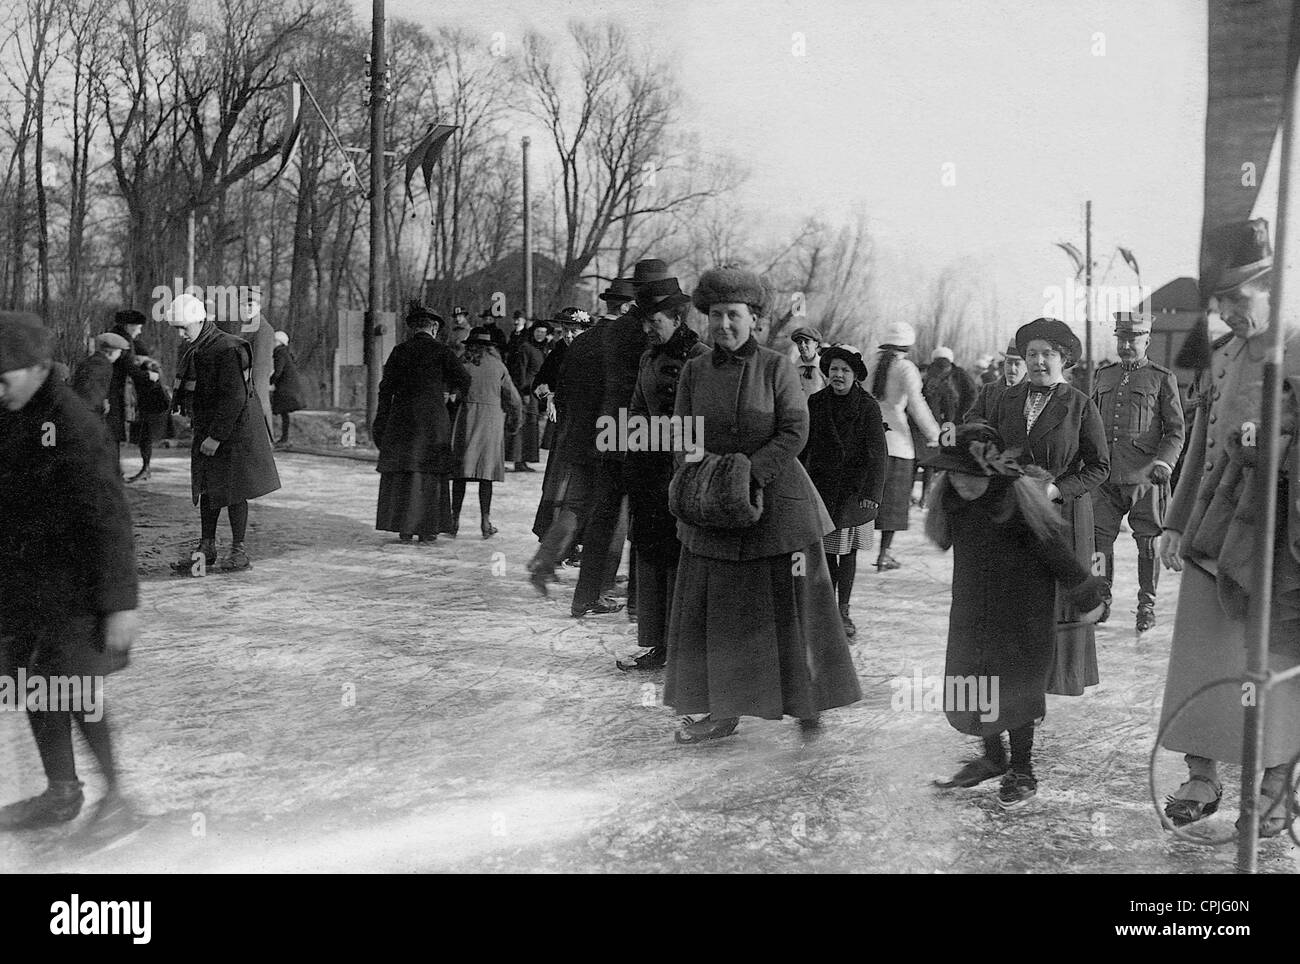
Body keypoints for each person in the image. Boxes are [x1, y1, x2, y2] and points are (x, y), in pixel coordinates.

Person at [663, 265, 861, 744]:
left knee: (794, 610)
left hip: (778, 510)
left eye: (733, 315)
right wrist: (706, 478)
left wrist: (747, 474)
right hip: (713, 510)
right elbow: (681, 432)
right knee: (717, 615)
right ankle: (720, 711)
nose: (724, 325)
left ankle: (807, 702)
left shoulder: (777, 367)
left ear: (753, 317)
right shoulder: (694, 369)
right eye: (715, 315)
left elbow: (794, 431)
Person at [1157, 218, 1300, 836]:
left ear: (1274, 286)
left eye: (1237, 299)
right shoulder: (1220, 357)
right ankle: (1202, 772)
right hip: (1214, 529)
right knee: (1204, 654)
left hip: (1279, 536)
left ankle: (1275, 787)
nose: (1226, 312)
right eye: (1219, 302)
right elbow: (1199, 447)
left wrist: (1276, 443)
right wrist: (1174, 522)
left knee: (1272, 659)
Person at [0, 312, 140, 833]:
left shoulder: (74, 423)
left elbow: (109, 516)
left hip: (77, 591)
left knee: (72, 689)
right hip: (26, 586)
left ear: (38, 368)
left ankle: (120, 799)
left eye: (4, 376)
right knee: (34, 686)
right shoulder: (13, 412)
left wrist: (121, 602)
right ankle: (62, 792)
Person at [924, 424, 1108, 808]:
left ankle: (1022, 768)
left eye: (969, 474)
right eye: (953, 473)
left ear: (993, 473)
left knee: (1015, 690)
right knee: (974, 680)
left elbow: (1058, 554)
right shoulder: (954, 501)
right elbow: (943, 538)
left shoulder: (1018, 504)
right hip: (973, 608)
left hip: (1021, 613)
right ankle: (993, 756)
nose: (960, 481)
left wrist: (1088, 596)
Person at [969, 317, 1109, 698]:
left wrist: (1056, 489)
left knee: (1058, 594)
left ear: (1064, 359)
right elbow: (986, 444)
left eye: (1048, 354)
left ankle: (1057, 677)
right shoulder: (1006, 399)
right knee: (1018, 593)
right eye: (1032, 354)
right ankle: (1019, 676)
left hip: (1062, 514)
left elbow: (1099, 466)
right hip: (1013, 512)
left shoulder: (1079, 404)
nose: (1038, 362)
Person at [570, 259, 681, 618]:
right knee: (645, 517)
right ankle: (638, 602)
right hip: (643, 432)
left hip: (609, 430)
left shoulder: (616, 330)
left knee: (603, 515)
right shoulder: (653, 331)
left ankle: (585, 596)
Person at [616, 289, 708, 671]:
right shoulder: (648, 358)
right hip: (652, 471)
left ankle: (687, 647)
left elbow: (710, 418)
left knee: (683, 558)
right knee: (653, 556)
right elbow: (637, 409)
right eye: (645, 322)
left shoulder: (702, 358)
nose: (648, 329)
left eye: (655, 321)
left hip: (690, 471)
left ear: (676, 319)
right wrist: (633, 457)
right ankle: (658, 644)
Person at [166, 293, 282, 572]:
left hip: (235, 429)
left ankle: (238, 551)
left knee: (233, 490)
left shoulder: (225, 348)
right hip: (212, 425)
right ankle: (206, 547)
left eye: (184, 328)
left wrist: (215, 437)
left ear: (199, 320)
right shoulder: (201, 347)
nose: (182, 335)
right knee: (208, 487)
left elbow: (233, 397)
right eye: (178, 329)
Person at [1090, 311, 1185, 632]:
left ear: (1147, 340)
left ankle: (1146, 604)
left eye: (1133, 339)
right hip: (1105, 477)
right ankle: (1101, 599)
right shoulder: (1103, 375)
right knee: (1098, 543)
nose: (1126, 345)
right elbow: (1090, 424)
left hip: (1146, 478)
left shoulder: (1161, 378)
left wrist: (1164, 463)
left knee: (1146, 544)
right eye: (1121, 338)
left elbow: (1175, 431)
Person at [801, 345, 887, 640]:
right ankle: (824, 609)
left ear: (854, 376)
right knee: (825, 553)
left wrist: (871, 493)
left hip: (854, 491)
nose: (838, 375)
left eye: (845, 371)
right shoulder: (816, 402)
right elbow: (804, 445)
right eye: (834, 369)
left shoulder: (867, 406)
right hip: (822, 489)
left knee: (847, 553)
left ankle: (843, 610)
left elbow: (878, 454)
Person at [373, 303, 471, 544]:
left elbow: (385, 388)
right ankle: (429, 528)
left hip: (402, 419)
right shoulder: (442, 352)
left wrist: (382, 420)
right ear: (434, 327)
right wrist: (453, 396)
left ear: (413, 328)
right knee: (430, 473)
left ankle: (405, 526)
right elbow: (464, 379)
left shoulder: (399, 351)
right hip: (433, 421)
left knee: (406, 471)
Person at [867, 322, 939, 570]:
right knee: (893, 504)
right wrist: (935, 435)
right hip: (897, 442)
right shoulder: (906, 367)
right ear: (908, 344)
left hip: (869, 439)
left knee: (865, 499)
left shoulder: (869, 363)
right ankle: (884, 553)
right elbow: (917, 405)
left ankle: (849, 551)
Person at [449, 325, 521, 538]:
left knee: (460, 474)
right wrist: (514, 422)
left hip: (466, 420)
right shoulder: (498, 366)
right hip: (491, 423)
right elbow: (513, 399)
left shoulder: (462, 364)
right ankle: (485, 522)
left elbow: (451, 392)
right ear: (489, 347)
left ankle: (454, 521)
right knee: (486, 475)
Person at [920, 346, 976, 503]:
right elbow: (972, 394)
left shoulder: (927, 373)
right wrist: (962, 414)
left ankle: (926, 495)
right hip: (949, 422)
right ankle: (936, 493)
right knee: (946, 455)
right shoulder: (959, 374)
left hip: (930, 421)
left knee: (930, 456)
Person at [506, 320, 549, 472]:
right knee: (523, 423)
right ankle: (517, 459)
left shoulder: (543, 349)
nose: (540, 335)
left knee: (531, 424)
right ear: (533, 332)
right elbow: (520, 370)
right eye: (538, 331)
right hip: (526, 390)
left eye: (543, 332)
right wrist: (523, 391)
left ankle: (525, 459)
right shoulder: (526, 347)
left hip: (537, 392)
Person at [73, 332, 130, 424]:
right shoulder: (102, 364)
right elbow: (91, 390)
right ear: (110, 352)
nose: (119, 355)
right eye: (119, 352)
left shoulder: (92, 360)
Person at [966, 340, 1026, 420]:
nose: (1012, 368)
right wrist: (987, 429)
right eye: (1009, 363)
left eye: (1017, 364)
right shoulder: (989, 390)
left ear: (1026, 367)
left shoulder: (1033, 391)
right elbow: (972, 416)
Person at [270, 330, 306, 447]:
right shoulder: (287, 352)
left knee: (280, 412)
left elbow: (278, 371)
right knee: (284, 414)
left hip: (284, 389)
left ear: (278, 342)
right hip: (290, 388)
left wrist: (270, 381)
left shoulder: (279, 353)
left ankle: (279, 437)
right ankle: (283, 437)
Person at [789, 326, 826, 397]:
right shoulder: (793, 368)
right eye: (799, 343)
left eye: (806, 342)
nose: (802, 345)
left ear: (816, 344)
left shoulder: (824, 366)